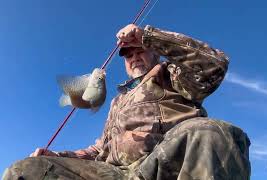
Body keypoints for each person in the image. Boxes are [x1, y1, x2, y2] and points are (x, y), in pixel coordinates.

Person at [3, 24, 251, 180]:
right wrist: (57, 155)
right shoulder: (117, 101)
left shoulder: (172, 76)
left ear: (154, 52)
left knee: (211, 132)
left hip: (161, 166)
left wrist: (148, 36)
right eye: (128, 55)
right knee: (26, 170)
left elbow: (214, 65)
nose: (134, 57)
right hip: (116, 173)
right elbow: (99, 150)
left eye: (139, 50)